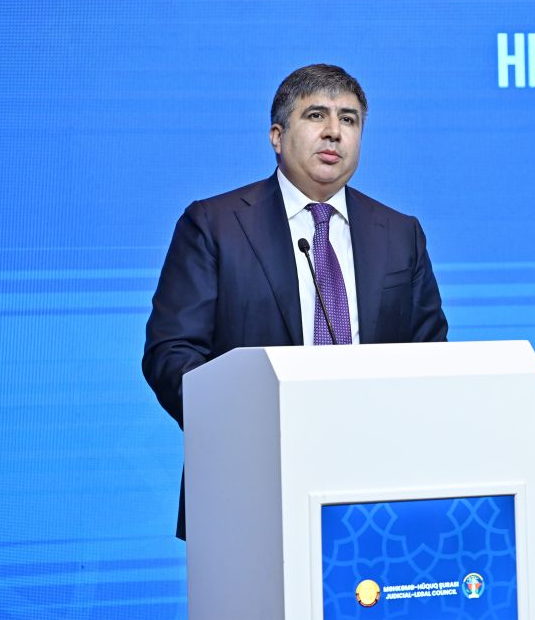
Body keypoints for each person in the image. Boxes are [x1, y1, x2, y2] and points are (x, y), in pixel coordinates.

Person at [142, 64, 448, 539]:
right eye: (316, 115)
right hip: (248, 486)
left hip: (377, 491)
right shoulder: (215, 225)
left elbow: (430, 357)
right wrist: (251, 432)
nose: (334, 132)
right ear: (277, 136)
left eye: (349, 120)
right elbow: (172, 353)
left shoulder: (399, 233)